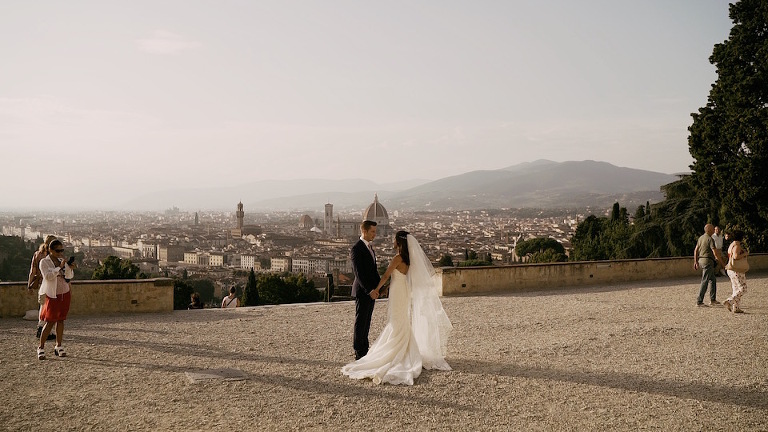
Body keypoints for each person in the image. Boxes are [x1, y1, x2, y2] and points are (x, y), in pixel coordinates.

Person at [342, 231, 452, 385]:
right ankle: (405, 348)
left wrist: (377, 290)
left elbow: (387, 275)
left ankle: (394, 351)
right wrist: (385, 288)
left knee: (396, 320)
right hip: (403, 290)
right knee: (401, 319)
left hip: (398, 291)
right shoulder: (408, 259)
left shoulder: (397, 258)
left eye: (394, 240)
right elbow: (398, 276)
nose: (392, 242)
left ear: (399, 242)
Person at [37, 240, 74, 360]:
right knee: (50, 321)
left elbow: (69, 277)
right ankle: (41, 347)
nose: (60, 253)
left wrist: (69, 268)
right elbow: (47, 276)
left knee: (61, 320)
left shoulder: (60, 261)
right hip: (52, 294)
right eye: (58, 250)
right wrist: (59, 268)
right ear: (50, 250)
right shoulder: (44, 262)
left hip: (64, 292)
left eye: (61, 250)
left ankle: (58, 345)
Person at [349, 220, 381, 360]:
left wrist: (380, 287)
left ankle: (364, 349)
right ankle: (358, 352)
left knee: (367, 321)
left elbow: (373, 272)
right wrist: (369, 290)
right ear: (365, 231)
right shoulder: (357, 248)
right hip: (363, 291)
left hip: (371, 291)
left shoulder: (369, 248)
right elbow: (359, 273)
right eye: (373, 231)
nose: (375, 234)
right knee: (361, 321)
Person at [28, 235, 57, 340]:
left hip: (41, 285)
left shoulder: (37, 254)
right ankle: (48, 331)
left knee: (42, 307)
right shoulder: (53, 256)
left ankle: (41, 328)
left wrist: (29, 285)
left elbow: (32, 272)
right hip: (52, 284)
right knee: (52, 307)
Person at [693, 224, 725, 307]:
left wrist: (696, 262)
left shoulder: (701, 238)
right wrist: (722, 263)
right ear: (709, 230)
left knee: (713, 280)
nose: (714, 230)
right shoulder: (710, 239)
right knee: (705, 281)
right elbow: (715, 252)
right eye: (713, 229)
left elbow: (696, 250)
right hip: (708, 262)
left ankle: (713, 299)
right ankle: (699, 301)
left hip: (701, 261)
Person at [723, 230, 749, 314]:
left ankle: (736, 307)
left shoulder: (731, 245)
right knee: (743, 289)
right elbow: (736, 256)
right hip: (736, 269)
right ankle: (729, 301)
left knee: (736, 289)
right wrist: (745, 254)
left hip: (730, 269)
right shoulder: (737, 245)